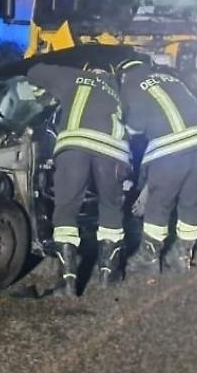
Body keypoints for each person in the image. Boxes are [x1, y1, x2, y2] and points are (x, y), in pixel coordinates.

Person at [25, 60, 132, 296]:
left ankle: (68, 281)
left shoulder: (71, 76)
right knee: (110, 207)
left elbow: (34, 72)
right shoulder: (118, 90)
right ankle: (108, 274)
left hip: (74, 145)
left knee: (66, 209)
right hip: (112, 150)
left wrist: (45, 88)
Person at [115, 55, 197, 273]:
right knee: (192, 203)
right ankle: (181, 257)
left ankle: (148, 258)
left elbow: (133, 128)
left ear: (123, 74)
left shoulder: (129, 86)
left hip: (169, 151)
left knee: (159, 204)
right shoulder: (172, 79)